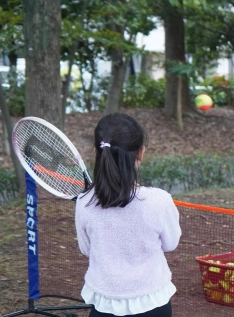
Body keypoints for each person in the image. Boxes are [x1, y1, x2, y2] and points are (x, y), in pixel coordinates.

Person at [75, 113, 181, 317]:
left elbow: (87, 249)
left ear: (97, 151)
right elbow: (170, 244)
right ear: (140, 153)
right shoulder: (160, 200)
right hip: (153, 303)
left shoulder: (83, 203)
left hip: (103, 305)